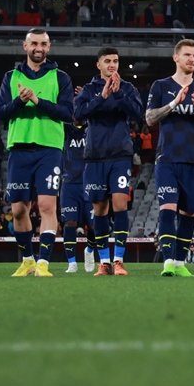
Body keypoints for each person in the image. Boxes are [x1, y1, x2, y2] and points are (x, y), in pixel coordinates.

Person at [0, 28, 75, 277]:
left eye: (43, 44)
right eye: (34, 44)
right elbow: (0, 113)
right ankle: (28, 260)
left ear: (48, 47)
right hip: (19, 148)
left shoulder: (60, 77)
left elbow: (68, 113)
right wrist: (20, 101)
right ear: (25, 46)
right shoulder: (11, 77)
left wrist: (37, 101)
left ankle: (44, 262)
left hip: (49, 148)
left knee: (46, 205)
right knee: (18, 210)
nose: (38, 48)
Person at [144, 39, 194, 277]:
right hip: (167, 159)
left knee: (189, 213)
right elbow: (150, 118)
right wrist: (174, 102)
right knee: (167, 208)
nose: (192, 59)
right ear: (176, 57)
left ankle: (180, 263)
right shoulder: (161, 86)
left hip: (193, 159)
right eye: (187, 55)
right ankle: (167, 262)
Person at [74, 47, 143, 276]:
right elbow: (78, 114)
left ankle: (119, 260)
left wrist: (118, 94)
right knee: (100, 209)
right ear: (99, 65)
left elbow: (138, 114)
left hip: (120, 155)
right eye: (107, 61)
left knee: (120, 204)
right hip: (95, 157)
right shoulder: (89, 90)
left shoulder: (127, 88)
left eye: (115, 61)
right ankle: (104, 262)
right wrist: (101, 97)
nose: (112, 64)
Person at [59, 120, 93, 273]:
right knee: (70, 222)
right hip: (69, 184)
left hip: (89, 183)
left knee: (94, 225)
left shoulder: (91, 126)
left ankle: (90, 250)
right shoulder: (65, 129)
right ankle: (72, 262)